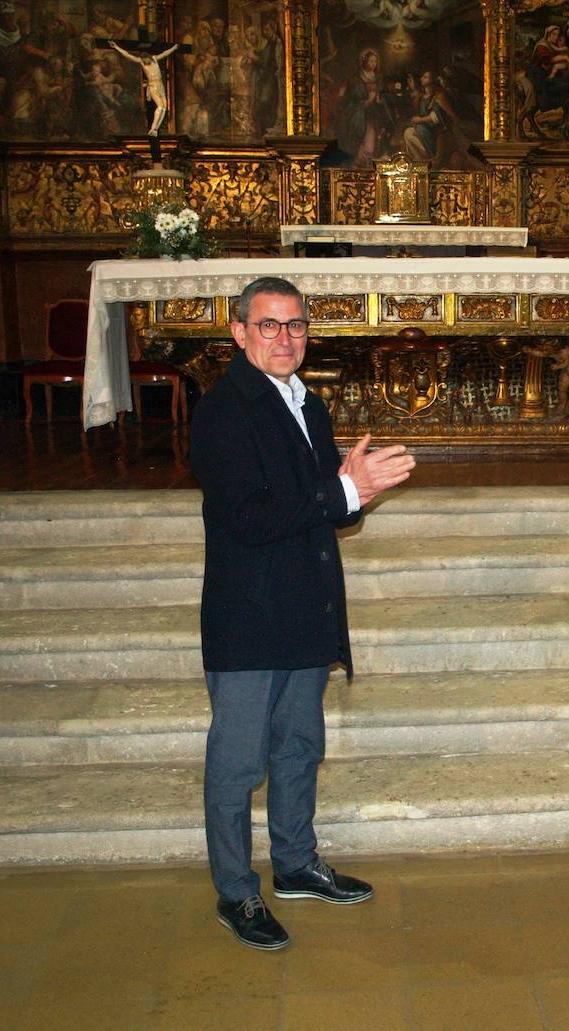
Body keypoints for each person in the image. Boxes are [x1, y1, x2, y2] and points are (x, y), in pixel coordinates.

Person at [189, 276, 415, 950]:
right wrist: (342, 489)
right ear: (239, 332)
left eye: (295, 326)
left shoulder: (307, 403)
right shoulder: (222, 410)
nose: (285, 338)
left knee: (298, 747)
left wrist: (347, 492)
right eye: (269, 325)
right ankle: (236, 891)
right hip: (251, 617)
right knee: (236, 764)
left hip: (305, 610)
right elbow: (252, 518)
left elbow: (318, 510)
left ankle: (294, 863)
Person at [108, 39, 179, 136]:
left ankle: (155, 129)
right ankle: (153, 128)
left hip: (160, 85)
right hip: (153, 86)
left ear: (148, 57)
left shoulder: (154, 59)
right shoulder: (141, 62)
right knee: (160, 106)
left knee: (164, 108)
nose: (146, 62)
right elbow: (128, 56)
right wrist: (116, 47)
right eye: (144, 60)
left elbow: (165, 53)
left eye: (146, 60)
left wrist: (174, 48)